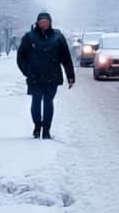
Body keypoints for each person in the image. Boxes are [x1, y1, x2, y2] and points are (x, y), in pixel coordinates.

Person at [16, 11, 75, 139]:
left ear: (50, 23)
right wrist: (27, 71)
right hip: (35, 76)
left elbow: (66, 58)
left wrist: (70, 76)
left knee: (48, 102)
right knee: (36, 102)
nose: (44, 24)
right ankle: (37, 126)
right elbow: (21, 56)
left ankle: (47, 129)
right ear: (37, 23)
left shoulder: (58, 37)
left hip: (52, 76)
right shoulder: (29, 37)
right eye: (41, 22)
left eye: (46, 22)